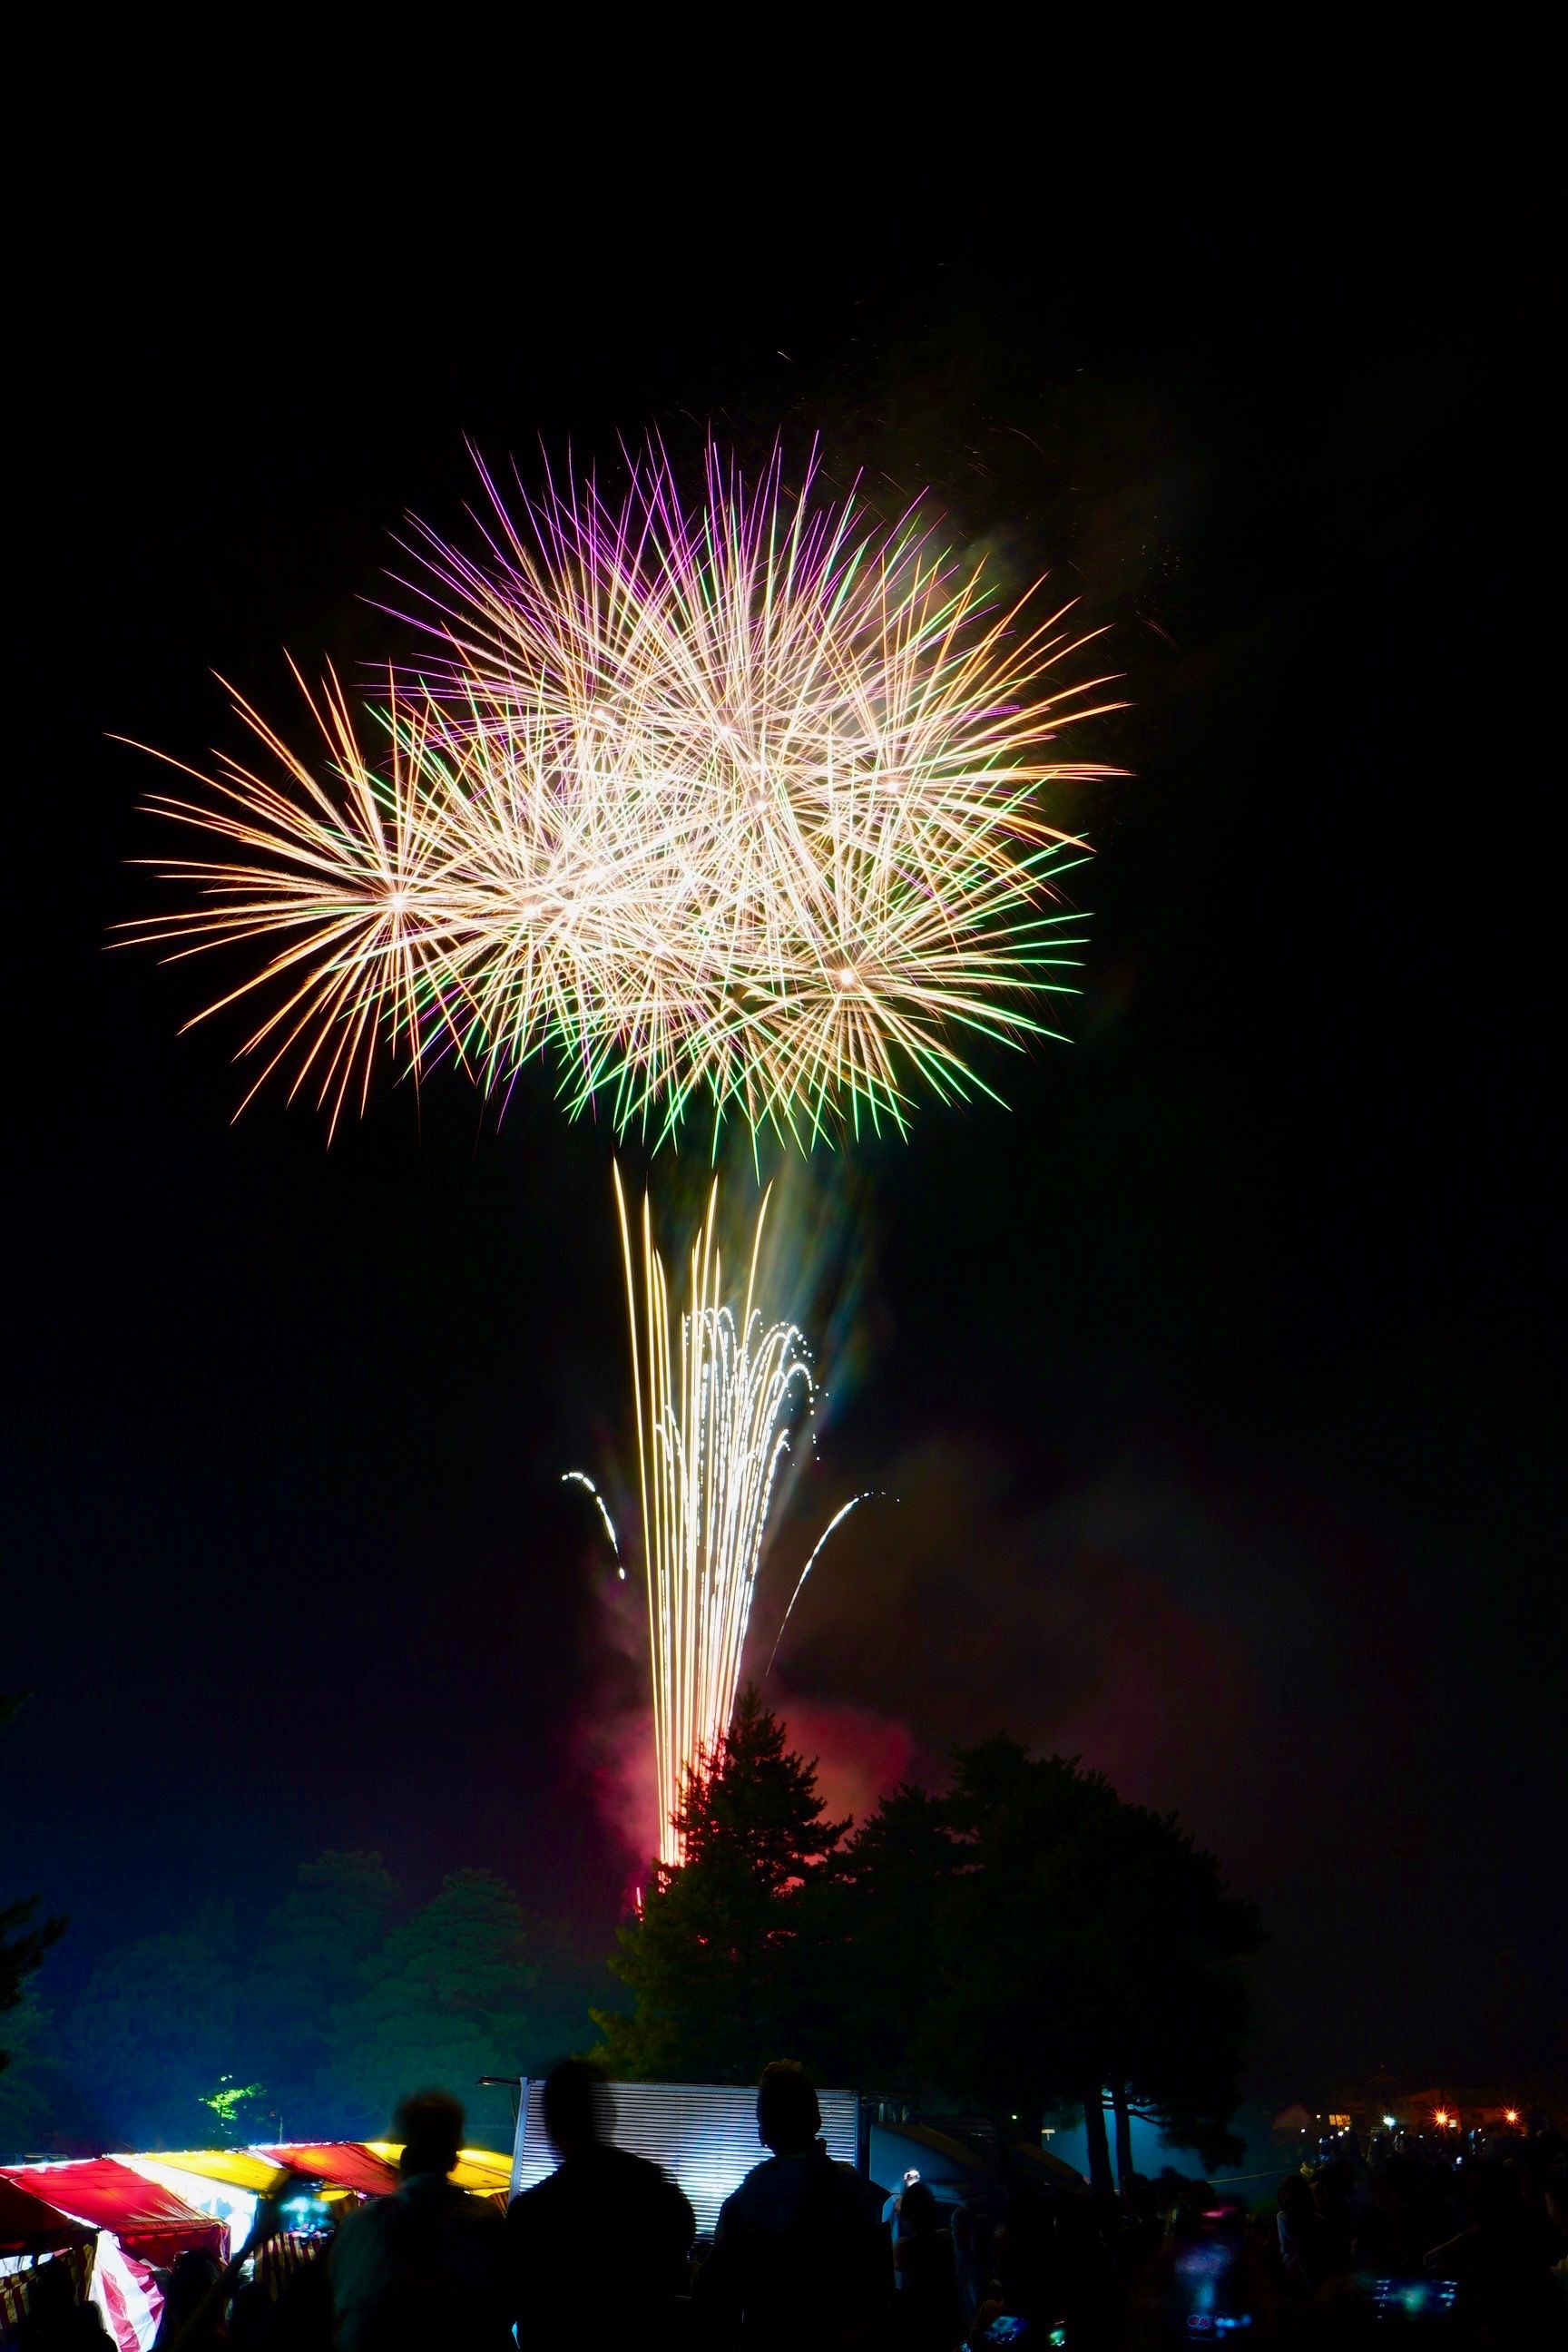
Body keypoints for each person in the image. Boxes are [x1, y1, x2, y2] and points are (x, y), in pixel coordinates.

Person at [695, 2059, 889, 2348]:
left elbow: (712, 2289)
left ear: (764, 2130)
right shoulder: (852, 2188)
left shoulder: (746, 2202)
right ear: (816, 2118)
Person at [505, 2056, 694, 2347]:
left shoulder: (532, 2212)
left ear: (552, 2124)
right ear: (608, 2114)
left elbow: (507, 2304)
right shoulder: (656, 2191)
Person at [329, 2088, 510, 2351]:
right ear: (454, 2157)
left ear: (403, 2157)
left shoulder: (365, 2225)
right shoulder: (485, 2222)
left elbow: (345, 2317)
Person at [892, 2181, 962, 2348]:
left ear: (908, 2216)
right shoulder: (945, 2239)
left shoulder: (903, 2248)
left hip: (917, 2329)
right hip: (945, 2327)